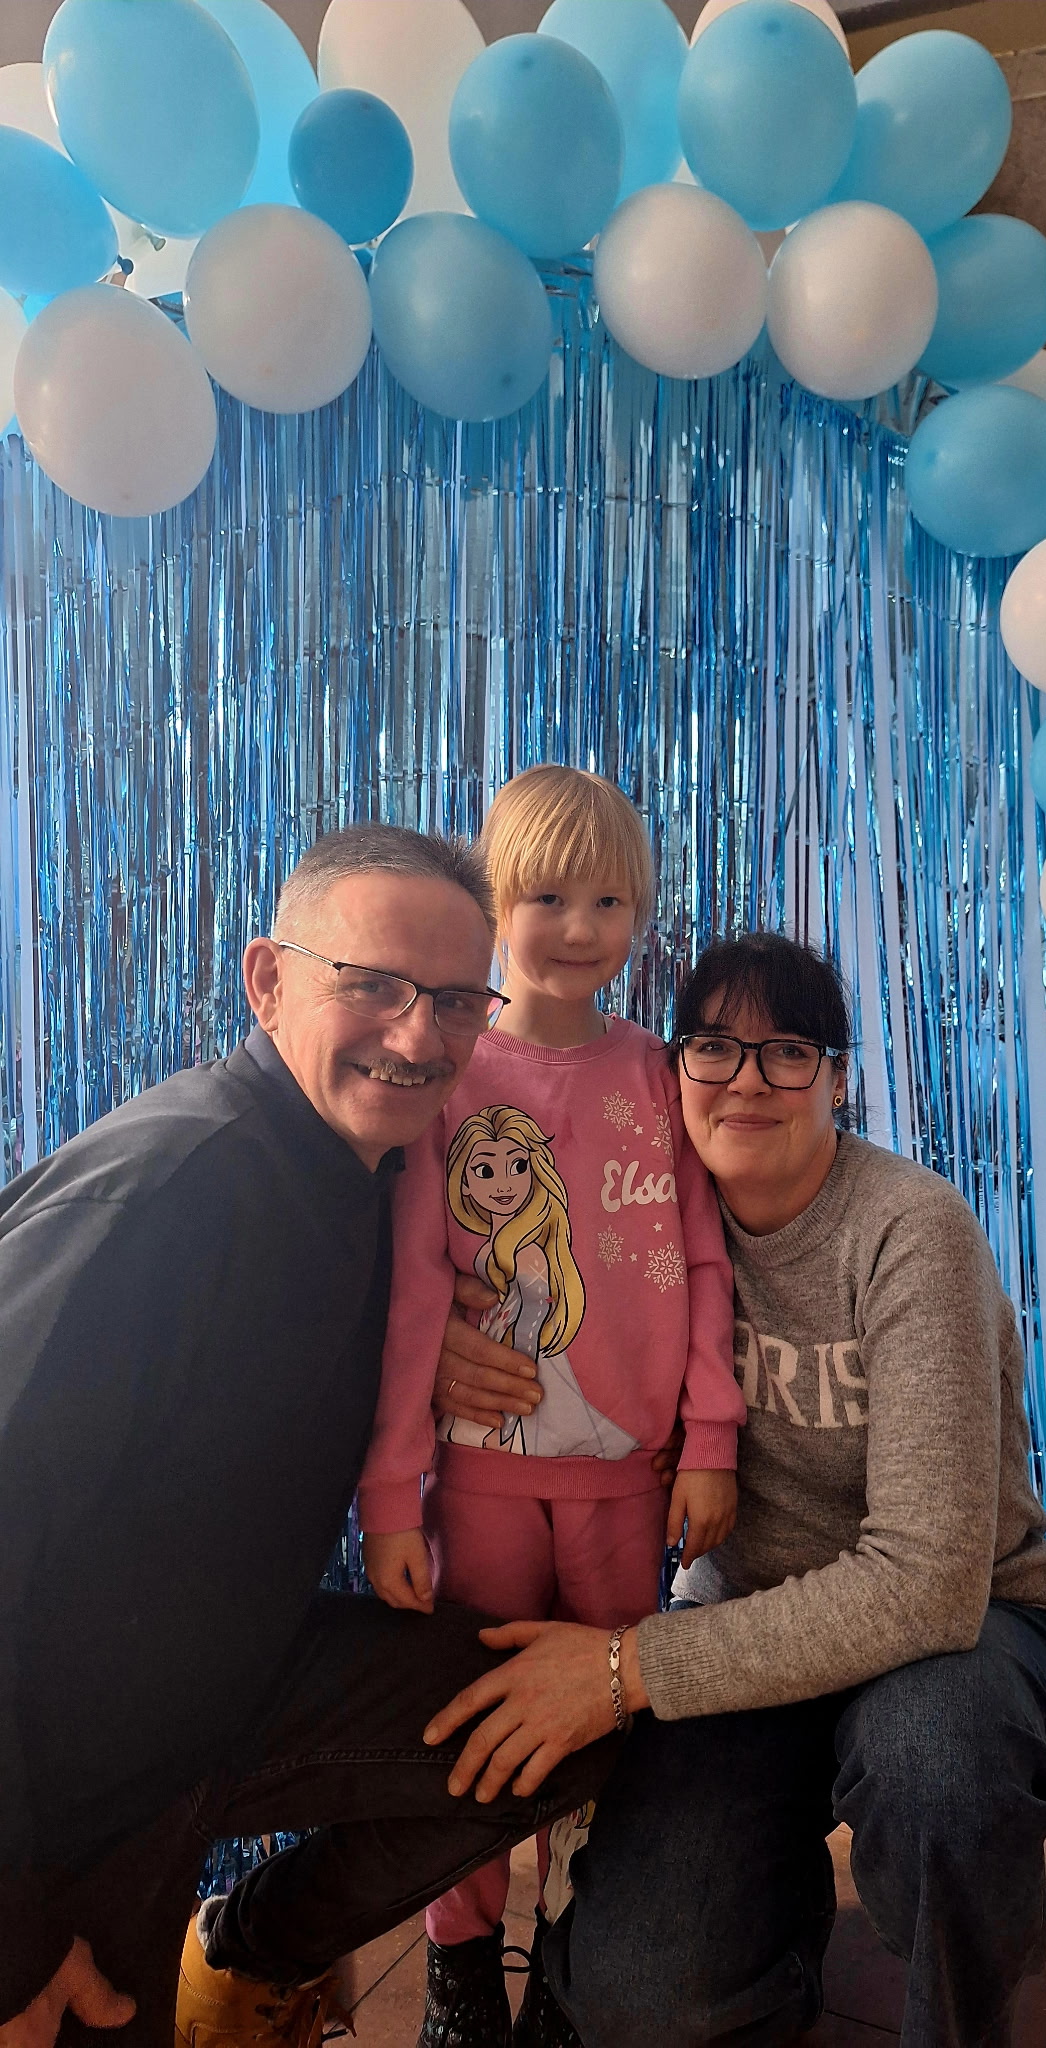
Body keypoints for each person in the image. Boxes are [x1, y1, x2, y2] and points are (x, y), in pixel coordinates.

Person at [0, 824, 621, 2048]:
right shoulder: (166, 1192)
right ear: (268, 980)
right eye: (373, 984)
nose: (417, 1035)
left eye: (455, 1000)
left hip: (240, 1676)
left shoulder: (380, 1171)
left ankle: (250, 1947)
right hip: (65, 1777)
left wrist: (425, 1350)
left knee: (562, 1722)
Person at [422, 932, 1046, 2048]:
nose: (746, 1081)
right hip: (747, 1616)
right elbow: (464, 1265)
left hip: (964, 1629)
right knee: (639, 1997)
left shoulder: (909, 1231)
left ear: (839, 1077)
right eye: (714, 1048)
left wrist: (626, 1669)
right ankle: (772, 1928)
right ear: (672, 1069)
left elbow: (925, 1581)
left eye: (788, 1051)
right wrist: (437, 1343)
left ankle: (962, 2012)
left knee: (936, 1772)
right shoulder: (640, 1221)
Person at [358, 767, 743, 2046]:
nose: (580, 927)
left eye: (609, 900)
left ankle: (575, 1960)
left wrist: (710, 1436)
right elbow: (415, 1294)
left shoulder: (660, 1075)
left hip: (628, 1483)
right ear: (494, 906)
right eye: (547, 897)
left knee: (604, 1726)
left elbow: (703, 1261)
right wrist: (391, 1498)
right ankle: (461, 1956)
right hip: (477, 1481)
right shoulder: (451, 1071)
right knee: (471, 1723)